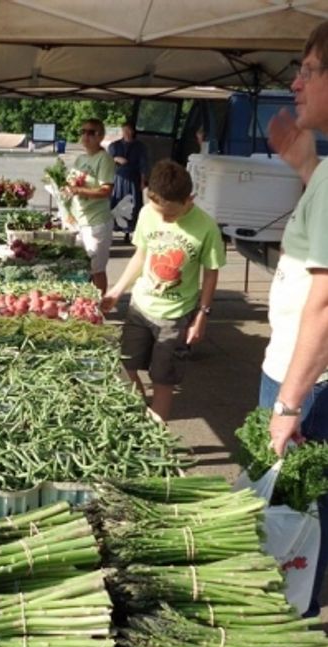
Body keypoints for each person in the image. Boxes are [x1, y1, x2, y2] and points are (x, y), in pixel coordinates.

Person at [259, 21, 328, 617]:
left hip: (306, 385)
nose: (295, 83)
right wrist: (306, 165)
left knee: (297, 513)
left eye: (308, 71)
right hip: (300, 379)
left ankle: (290, 620)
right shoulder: (327, 172)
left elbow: (326, 303)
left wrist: (287, 405)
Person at [101, 159, 225, 421]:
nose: (164, 218)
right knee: (125, 365)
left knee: (163, 380)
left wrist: (202, 315)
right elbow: (141, 255)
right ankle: (137, 419)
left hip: (176, 318)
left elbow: (211, 273)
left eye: (170, 214)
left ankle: (155, 438)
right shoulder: (147, 213)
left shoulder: (206, 227)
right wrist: (117, 290)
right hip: (140, 308)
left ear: (189, 199)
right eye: (159, 212)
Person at [67, 118, 115, 294]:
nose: (86, 136)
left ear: (101, 136)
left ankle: (100, 308)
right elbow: (71, 185)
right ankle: (86, 302)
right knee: (81, 265)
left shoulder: (105, 159)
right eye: (83, 132)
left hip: (97, 222)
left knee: (97, 269)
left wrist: (79, 190)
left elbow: (105, 191)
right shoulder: (80, 159)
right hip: (78, 221)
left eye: (91, 132)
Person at [107, 120, 148, 243]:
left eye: (129, 130)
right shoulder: (114, 145)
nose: (127, 133)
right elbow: (107, 162)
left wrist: (142, 181)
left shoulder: (140, 146)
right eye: (125, 130)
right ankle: (114, 229)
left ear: (133, 131)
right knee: (116, 202)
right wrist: (116, 158)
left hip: (133, 179)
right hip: (118, 179)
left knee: (133, 204)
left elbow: (143, 165)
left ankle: (129, 232)